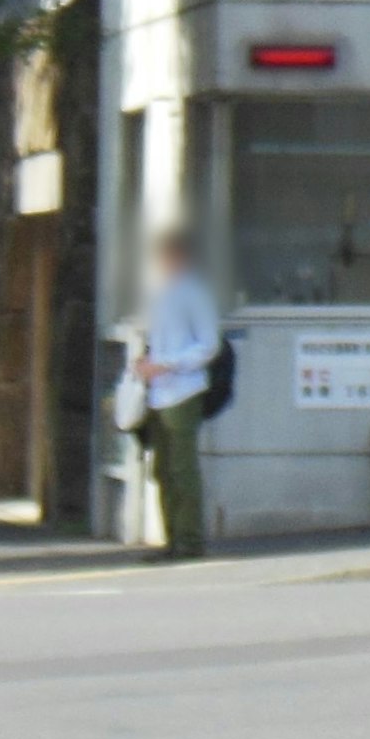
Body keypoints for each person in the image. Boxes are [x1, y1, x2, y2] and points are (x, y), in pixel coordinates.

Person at [131, 231, 221, 560]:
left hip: (183, 390)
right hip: (159, 392)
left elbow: (209, 345)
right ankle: (172, 538)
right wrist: (148, 362)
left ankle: (190, 540)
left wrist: (167, 364)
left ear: (182, 257)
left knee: (183, 468)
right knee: (163, 469)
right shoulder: (162, 293)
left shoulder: (194, 293)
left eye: (169, 256)